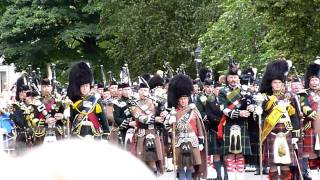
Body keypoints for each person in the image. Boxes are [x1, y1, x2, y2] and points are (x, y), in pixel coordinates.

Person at [260, 59, 300, 180]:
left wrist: (295, 134)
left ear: (283, 84)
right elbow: (262, 117)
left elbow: (295, 116)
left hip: (286, 132)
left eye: (279, 82)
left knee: (285, 163)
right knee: (272, 164)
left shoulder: (290, 97)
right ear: (270, 84)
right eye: (274, 83)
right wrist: (258, 112)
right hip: (271, 132)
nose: (277, 85)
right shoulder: (265, 98)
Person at [218, 61, 253, 180]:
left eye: (235, 77)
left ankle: (240, 177)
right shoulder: (223, 91)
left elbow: (251, 102)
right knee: (230, 154)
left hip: (243, 125)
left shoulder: (245, 90)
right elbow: (224, 109)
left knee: (240, 154)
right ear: (227, 79)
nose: (233, 79)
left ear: (238, 78)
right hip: (229, 124)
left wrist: (251, 107)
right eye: (231, 77)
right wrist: (239, 113)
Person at [167, 74, 207, 180]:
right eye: (181, 99)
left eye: (185, 98)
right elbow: (168, 128)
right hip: (178, 140)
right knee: (180, 165)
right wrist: (170, 122)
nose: (183, 101)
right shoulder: (173, 112)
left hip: (192, 139)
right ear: (177, 99)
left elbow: (199, 126)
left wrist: (201, 141)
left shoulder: (193, 110)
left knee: (190, 167)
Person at [67, 61, 110, 139]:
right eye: (82, 86)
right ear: (78, 87)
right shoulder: (74, 101)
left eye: (86, 86)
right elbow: (71, 118)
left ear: (90, 86)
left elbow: (103, 118)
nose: (84, 88)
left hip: (93, 132)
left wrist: (106, 132)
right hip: (78, 133)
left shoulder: (96, 99)